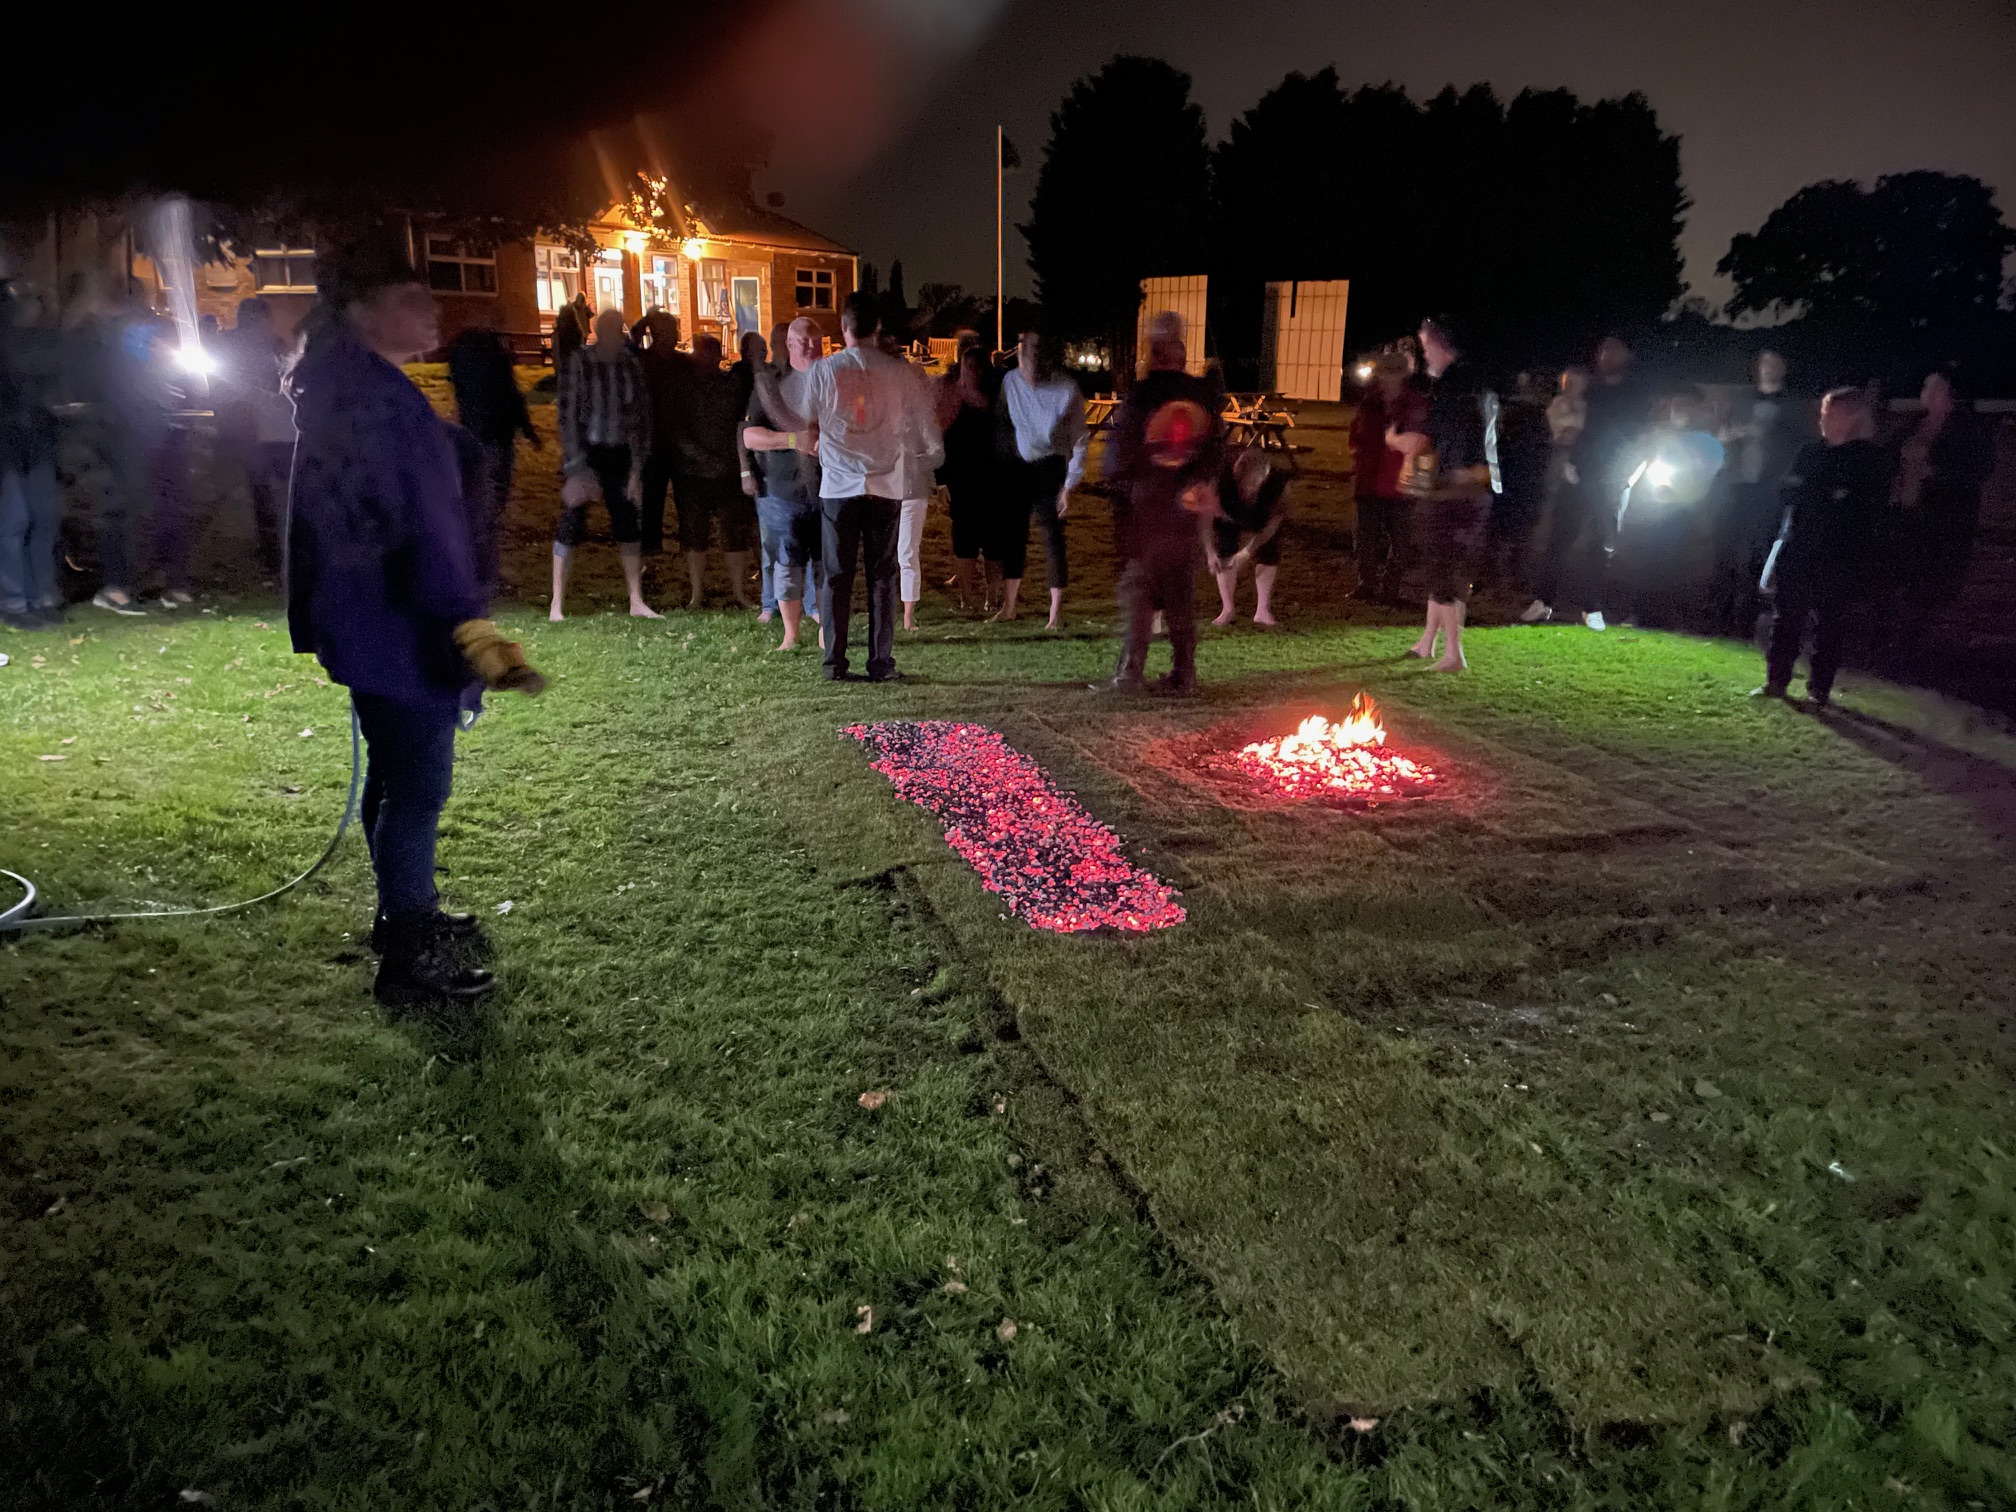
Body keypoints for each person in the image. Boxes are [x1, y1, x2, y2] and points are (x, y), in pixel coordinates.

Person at [285, 236, 539, 1008]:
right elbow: (415, 524)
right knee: (419, 786)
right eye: (410, 297)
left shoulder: (351, 388)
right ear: (361, 310)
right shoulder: (372, 402)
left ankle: (404, 911)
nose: (431, 309)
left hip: (368, 620)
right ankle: (409, 954)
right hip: (400, 625)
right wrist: (469, 626)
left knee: (395, 776)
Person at [784, 291, 943, 682]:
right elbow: (923, 418)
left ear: (844, 327)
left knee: (837, 576)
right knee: (882, 576)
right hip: (886, 483)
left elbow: (800, 419)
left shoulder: (824, 371)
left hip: (839, 484)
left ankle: (834, 662)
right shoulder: (898, 372)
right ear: (877, 328)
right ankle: (880, 662)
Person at [1096, 310, 1222, 695]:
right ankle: (1184, 674)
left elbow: (1121, 451)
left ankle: (1130, 672)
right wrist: (1199, 482)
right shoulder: (1202, 395)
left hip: (1147, 507)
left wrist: (1114, 481)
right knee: (1180, 590)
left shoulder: (1143, 395)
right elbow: (1217, 447)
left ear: (1156, 351)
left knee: (1139, 587)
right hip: (1185, 507)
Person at [1756, 387, 1894, 707]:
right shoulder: (1809, 453)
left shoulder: (1868, 460)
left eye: (1831, 414)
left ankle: (1819, 687)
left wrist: (1825, 496)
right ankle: (1776, 680)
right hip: (1800, 546)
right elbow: (1788, 492)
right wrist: (1823, 495)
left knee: (1830, 623)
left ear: (1851, 418)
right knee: (1787, 617)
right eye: (1823, 413)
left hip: (1840, 554)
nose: (1824, 420)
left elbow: (1861, 507)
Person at [1389, 315, 1495, 672]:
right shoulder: (1478, 380)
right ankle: (1427, 642)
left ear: (1436, 343)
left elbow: (1423, 440)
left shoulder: (1451, 385)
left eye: (1424, 346)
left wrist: (1393, 439)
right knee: (1447, 567)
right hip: (1476, 487)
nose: (1423, 354)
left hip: (1454, 488)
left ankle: (1454, 654)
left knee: (1441, 568)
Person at [1523, 336, 1649, 632]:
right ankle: (1543, 601)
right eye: (1603, 349)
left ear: (1626, 354)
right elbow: (1567, 428)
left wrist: (1626, 475)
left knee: (1600, 545)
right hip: (1577, 474)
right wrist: (1569, 461)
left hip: (1611, 479)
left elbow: (1638, 437)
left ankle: (1591, 607)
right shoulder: (1589, 390)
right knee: (1559, 538)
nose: (1607, 354)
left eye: (1614, 349)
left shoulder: (1634, 395)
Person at [551, 306, 656, 620]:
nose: (618, 335)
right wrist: (576, 467)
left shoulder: (630, 365)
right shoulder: (580, 362)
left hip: (620, 453)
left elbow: (642, 417)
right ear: (598, 332)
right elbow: (567, 416)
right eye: (612, 329)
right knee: (572, 522)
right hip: (587, 452)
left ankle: (636, 600)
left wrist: (637, 468)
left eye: (620, 329)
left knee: (627, 524)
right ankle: (556, 604)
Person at [995, 328, 1089, 628]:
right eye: (1026, 348)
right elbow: (1004, 422)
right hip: (1020, 467)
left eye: (1037, 349)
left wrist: (1068, 486)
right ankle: (1009, 606)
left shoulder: (1066, 389)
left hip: (1050, 466)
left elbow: (1079, 440)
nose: (1030, 355)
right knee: (1014, 535)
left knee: (1052, 537)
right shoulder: (1010, 383)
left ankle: (1055, 613)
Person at [1711, 350, 1806, 639]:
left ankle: (1745, 620)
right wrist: (1732, 435)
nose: (1768, 369)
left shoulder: (1793, 405)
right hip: (1737, 484)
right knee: (1725, 547)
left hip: (1768, 489)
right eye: (1764, 364)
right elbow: (1721, 433)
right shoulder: (1742, 400)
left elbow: (1801, 442)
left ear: (1784, 369)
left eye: (1774, 364)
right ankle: (1719, 615)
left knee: (1757, 553)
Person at [743, 317, 825, 651]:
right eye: (803, 341)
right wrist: (794, 438)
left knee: (827, 565)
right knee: (788, 565)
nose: (810, 347)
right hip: (784, 491)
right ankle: (790, 634)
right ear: (789, 344)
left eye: (816, 341)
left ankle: (825, 633)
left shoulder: (834, 382)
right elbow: (750, 435)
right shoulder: (771, 385)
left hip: (830, 492)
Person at [1893, 371, 1995, 637]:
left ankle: (1920, 631)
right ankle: (1899, 628)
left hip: (1942, 517)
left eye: (1930, 386)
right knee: (1902, 571)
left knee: (1933, 577)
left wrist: (1936, 473)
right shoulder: (1915, 423)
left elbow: (1978, 470)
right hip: (1907, 511)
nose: (1923, 391)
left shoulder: (1966, 429)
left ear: (1945, 392)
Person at [1613, 386, 1724, 628]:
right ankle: (1640, 613)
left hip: (1682, 512)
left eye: (1685, 405)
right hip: (1653, 509)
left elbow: (1704, 475)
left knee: (1672, 565)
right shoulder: (1659, 436)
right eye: (1676, 405)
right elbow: (1640, 464)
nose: (1679, 410)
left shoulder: (1705, 440)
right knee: (1645, 561)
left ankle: (1665, 616)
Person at [446, 327, 539, 594]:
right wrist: (527, 429)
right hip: (494, 436)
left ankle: (477, 566)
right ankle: (481, 569)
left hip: (479, 435)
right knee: (490, 500)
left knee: (482, 502)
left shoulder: (466, 366)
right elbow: (511, 397)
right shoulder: (494, 369)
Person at [673, 332, 758, 609]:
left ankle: (739, 592)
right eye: (702, 353)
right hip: (692, 473)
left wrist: (733, 461)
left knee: (734, 536)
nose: (707, 359)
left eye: (712, 353)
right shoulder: (684, 389)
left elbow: (740, 422)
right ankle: (697, 594)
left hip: (727, 471)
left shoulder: (730, 386)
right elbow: (677, 431)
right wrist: (700, 456)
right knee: (695, 537)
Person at [220, 297, 298, 582]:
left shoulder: (276, 349)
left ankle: (279, 560)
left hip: (277, 433)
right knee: (268, 499)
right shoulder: (243, 351)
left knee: (276, 498)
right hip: (264, 434)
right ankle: (275, 560)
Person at [0, 280, 63, 630]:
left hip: (35, 439)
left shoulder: (37, 340)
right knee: (16, 520)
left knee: (40, 518)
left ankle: (40, 595)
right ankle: (16, 601)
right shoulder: (11, 342)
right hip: (11, 443)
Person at [1348, 349, 1425, 603]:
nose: (1389, 377)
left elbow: (1422, 442)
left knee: (1401, 543)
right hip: (1370, 481)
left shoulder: (1414, 405)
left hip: (1399, 485)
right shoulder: (1369, 403)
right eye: (1386, 372)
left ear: (1404, 375)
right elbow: (1356, 436)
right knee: (1366, 539)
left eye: (1394, 372)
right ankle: (1367, 584)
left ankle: (1391, 588)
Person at [877, 330, 940, 630]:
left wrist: (916, 462)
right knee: (883, 553)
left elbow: (937, 452)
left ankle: (908, 615)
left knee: (906, 551)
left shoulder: (921, 417)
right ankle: (885, 609)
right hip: (882, 489)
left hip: (912, 488)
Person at [936, 340, 1001, 613]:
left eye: (976, 367)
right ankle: (966, 597)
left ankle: (993, 597)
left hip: (993, 482)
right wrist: (941, 480)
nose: (971, 371)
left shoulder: (996, 399)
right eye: (967, 366)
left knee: (994, 545)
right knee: (964, 545)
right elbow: (939, 440)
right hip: (961, 482)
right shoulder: (953, 400)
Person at [1209, 445, 1289, 626]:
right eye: (1244, 485)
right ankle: (1227, 609)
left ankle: (1262, 610)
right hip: (1230, 510)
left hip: (1261, 513)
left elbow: (1273, 523)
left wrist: (1247, 552)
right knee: (1224, 546)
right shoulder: (1222, 479)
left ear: (1263, 478)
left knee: (1269, 550)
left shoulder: (1276, 483)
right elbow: (1207, 516)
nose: (1248, 490)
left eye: (1253, 484)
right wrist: (1210, 550)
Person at [633, 309, 688, 561]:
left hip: (679, 443)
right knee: (652, 500)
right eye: (671, 331)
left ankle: (689, 545)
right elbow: (628, 346)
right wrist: (643, 323)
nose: (676, 336)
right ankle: (650, 548)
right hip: (653, 443)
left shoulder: (683, 363)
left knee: (686, 500)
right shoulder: (643, 362)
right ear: (656, 334)